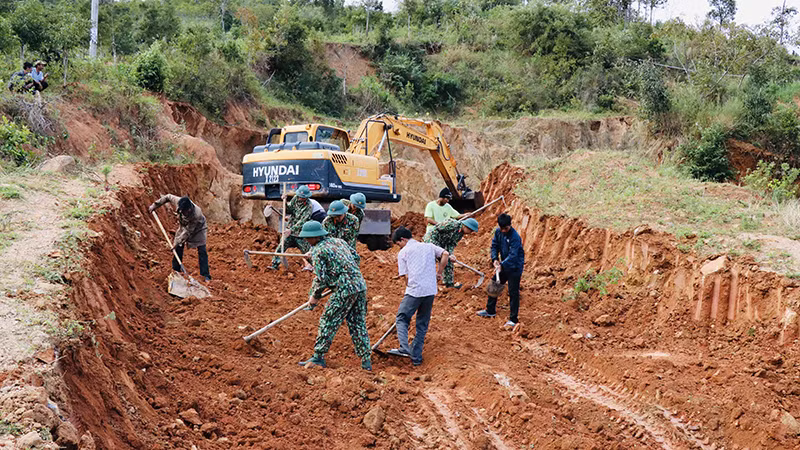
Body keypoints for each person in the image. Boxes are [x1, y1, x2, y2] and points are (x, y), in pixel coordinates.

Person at [297, 221, 372, 371]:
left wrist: (314, 297)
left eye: (308, 238)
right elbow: (356, 258)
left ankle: (318, 357)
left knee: (328, 320)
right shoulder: (339, 242)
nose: (306, 240)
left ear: (315, 237)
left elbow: (321, 279)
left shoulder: (318, 251)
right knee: (357, 323)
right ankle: (366, 361)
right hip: (360, 285)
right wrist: (344, 274)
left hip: (344, 289)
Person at [388, 226, 448, 366]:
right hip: (430, 290)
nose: (399, 247)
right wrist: (439, 273)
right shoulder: (429, 246)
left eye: (398, 244)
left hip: (414, 291)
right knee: (422, 324)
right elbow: (445, 254)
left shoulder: (403, 252)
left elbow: (405, 277)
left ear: (403, 239)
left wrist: (409, 287)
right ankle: (416, 358)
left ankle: (404, 348)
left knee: (402, 318)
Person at [148, 195, 211, 282]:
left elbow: (188, 232)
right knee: (178, 247)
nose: (184, 213)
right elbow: (168, 197)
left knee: (202, 250)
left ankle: (205, 275)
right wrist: (155, 205)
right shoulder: (179, 201)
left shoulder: (197, 214)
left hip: (199, 229)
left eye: (185, 212)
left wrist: (177, 242)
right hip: (184, 226)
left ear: (189, 210)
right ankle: (176, 270)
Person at [477, 214, 525, 327]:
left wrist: (501, 265)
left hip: (514, 267)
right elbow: (494, 246)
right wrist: (495, 259)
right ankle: (490, 310)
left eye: (505, 228)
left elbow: (513, 256)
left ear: (510, 225)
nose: (503, 231)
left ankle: (513, 319)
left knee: (513, 292)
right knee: (494, 285)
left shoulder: (515, 237)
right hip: (503, 265)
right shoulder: (498, 232)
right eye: (501, 228)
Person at [424, 218, 479, 288]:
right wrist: (439, 249)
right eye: (470, 230)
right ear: (466, 226)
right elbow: (436, 229)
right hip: (432, 239)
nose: (470, 232)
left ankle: (449, 284)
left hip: (442, 243)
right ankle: (426, 281)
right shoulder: (452, 224)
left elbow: (451, 244)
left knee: (448, 260)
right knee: (432, 258)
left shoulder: (460, 234)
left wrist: (451, 254)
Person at [271, 185, 313, 270]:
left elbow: (303, 221)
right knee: (281, 247)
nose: (300, 198)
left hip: (301, 234)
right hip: (290, 232)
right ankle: (274, 265)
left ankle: (315, 267)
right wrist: (284, 201)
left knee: (307, 252)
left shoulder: (309, 206)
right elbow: (288, 210)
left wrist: (291, 229)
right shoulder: (295, 199)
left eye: (302, 197)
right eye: (299, 196)